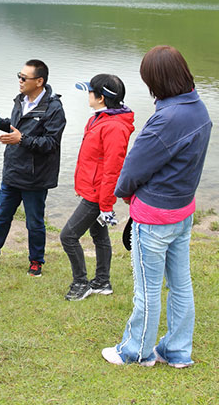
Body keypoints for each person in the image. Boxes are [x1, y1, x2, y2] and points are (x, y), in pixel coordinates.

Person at [101, 45, 212, 369]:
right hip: (182, 212)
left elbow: (133, 169)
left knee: (147, 290)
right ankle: (177, 351)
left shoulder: (166, 119)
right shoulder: (198, 109)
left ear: (157, 81)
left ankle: (136, 352)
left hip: (154, 218)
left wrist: (123, 192)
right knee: (180, 285)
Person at [0, 59, 66, 277]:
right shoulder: (21, 99)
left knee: (34, 223)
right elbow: (16, 128)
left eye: (24, 78)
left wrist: (21, 140)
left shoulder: (53, 108)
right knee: (1, 216)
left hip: (35, 176)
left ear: (39, 81)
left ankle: (36, 261)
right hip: (13, 170)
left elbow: (51, 143)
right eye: (19, 76)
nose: (20, 81)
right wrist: (0, 123)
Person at [60, 74, 135, 301]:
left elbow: (113, 169)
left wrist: (106, 205)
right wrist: (81, 185)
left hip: (97, 195)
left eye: (90, 92)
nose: (88, 95)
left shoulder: (114, 127)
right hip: (91, 190)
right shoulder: (98, 119)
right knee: (99, 235)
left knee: (68, 236)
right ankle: (102, 282)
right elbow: (93, 160)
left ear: (101, 98)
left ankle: (81, 283)